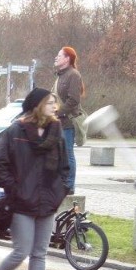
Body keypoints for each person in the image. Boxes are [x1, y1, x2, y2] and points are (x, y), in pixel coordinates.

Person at [0, 88, 68, 270]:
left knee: (39, 254)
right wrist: (17, 189)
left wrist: (60, 192)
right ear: (37, 105)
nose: (55, 107)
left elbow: (65, 167)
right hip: (21, 203)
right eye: (50, 102)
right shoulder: (14, 132)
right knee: (21, 251)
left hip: (47, 203)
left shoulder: (56, 132)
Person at [52, 46, 84, 193]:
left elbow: (73, 100)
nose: (56, 58)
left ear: (67, 59)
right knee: (58, 154)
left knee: (68, 154)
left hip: (68, 122)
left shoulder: (73, 75)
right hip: (58, 122)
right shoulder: (59, 76)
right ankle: (61, 182)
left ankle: (70, 185)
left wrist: (58, 113)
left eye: (59, 55)